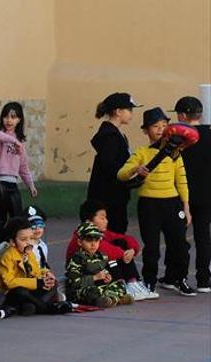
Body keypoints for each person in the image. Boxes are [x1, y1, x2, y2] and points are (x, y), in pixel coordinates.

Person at [117, 107, 193, 296]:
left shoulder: (175, 153)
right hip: (149, 205)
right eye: (155, 126)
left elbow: (181, 179)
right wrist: (137, 168)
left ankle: (180, 279)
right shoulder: (141, 153)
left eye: (164, 125)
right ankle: (149, 282)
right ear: (145, 130)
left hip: (173, 203)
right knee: (151, 247)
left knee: (180, 245)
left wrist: (186, 205)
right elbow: (121, 174)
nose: (160, 129)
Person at [66, 200, 155, 300]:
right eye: (102, 218)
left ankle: (133, 283)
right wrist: (125, 253)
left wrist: (132, 250)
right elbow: (107, 251)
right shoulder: (82, 236)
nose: (106, 221)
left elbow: (126, 238)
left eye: (106, 218)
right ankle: (126, 286)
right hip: (87, 276)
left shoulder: (101, 233)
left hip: (96, 272)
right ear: (89, 221)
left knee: (121, 242)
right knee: (110, 257)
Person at [87, 92, 140, 234]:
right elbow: (111, 167)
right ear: (117, 111)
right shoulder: (110, 136)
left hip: (116, 195)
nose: (131, 114)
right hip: (110, 198)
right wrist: (132, 172)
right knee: (113, 234)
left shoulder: (116, 134)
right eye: (129, 110)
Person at [0, 217, 70, 315]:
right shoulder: (7, 256)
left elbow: (36, 271)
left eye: (31, 238)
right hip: (11, 293)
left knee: (53, 284)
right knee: (20, 291)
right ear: (12, 242)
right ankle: (44, 308)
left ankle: (32, 306)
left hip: (29, 291)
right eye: (23, 239)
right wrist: (37, 283)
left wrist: (46, 275)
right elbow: (9, 282)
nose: (29, 242)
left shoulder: (29, 253)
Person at [173, 96, 211, 293]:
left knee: (178, 237)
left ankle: (177, 277)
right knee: (203, 237)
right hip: (206, 195)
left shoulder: (179, 137)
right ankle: (204, 280)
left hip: (181, 194)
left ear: (182, 116)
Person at [0, 102, 37, 248]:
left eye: (13, 117)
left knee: (17, 219)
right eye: (6, 116)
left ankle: (15, 247)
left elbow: (23, 166)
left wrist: (31, 185)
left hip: (12, 182)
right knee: (1, 218)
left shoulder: (20, 140)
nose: (9, 120)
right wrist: (14, 140)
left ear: (19, 120)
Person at [65, 222, 133, 308]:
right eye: (89, 240)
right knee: (92, 292)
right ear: (80, 242)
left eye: (96, 240)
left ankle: (111, 299)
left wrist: (107, 276)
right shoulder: (77, 259)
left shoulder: (100, 256)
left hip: (99, 287)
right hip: (82, 290)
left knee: (120, 284)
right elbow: (74, 283)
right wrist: (95, 277)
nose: (93, 244)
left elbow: (103, 271)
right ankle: (115, 299)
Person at [24, 206, 50, 270]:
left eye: (40, 225)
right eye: (33, 226)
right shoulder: (24, 248)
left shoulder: (43, 245)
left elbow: (44, 265)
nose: (37, 229)